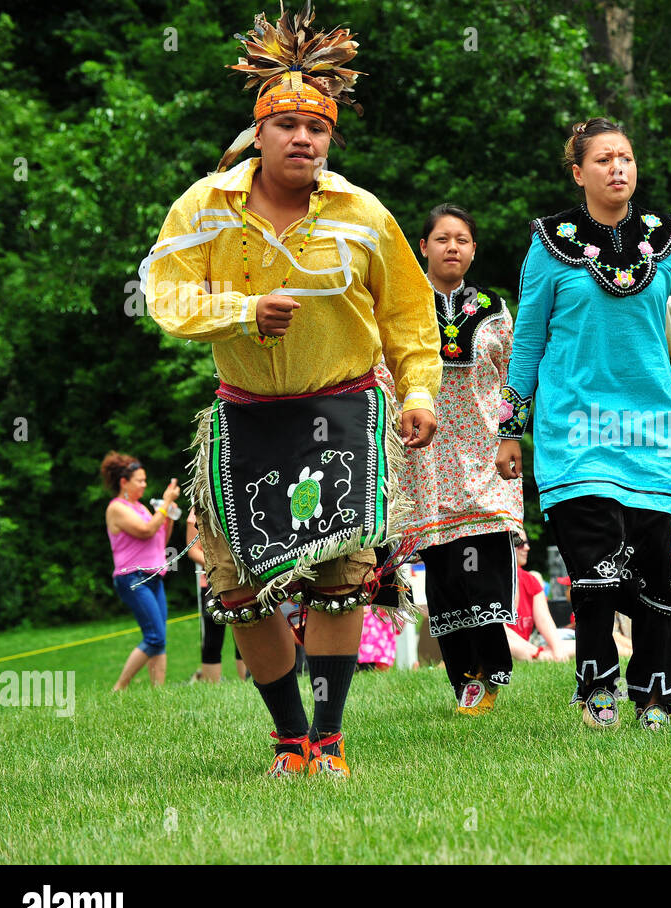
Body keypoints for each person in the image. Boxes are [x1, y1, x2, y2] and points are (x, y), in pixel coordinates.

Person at [141, 4, 441, 777]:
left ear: (330, 137)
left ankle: (330, 738)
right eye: (288, 124)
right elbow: (165, 299)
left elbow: (409, 316)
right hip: (245, 415)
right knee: (238, 586)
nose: (303, 137)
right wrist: (241, 311)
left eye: (318, 126)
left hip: (341, 406)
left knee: (340, 576)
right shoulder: (204, 209)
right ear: (259, 131)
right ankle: (289, 737)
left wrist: (419, 395)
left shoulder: (363, 214)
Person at [495, 117, 671, 730]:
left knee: (653, 566)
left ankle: (655, 693)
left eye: (625, 157)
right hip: (575, 429)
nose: (618, 168)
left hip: (651, 430)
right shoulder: (549, 244)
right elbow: (527, 343)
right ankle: (598, 687)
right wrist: (511, 427)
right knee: (595, 563)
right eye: (603, 160)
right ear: (578, 173)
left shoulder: (667, 237)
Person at [390, 203, 526, 715]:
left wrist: (512, 434)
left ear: (473, 250)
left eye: (462, 239)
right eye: (442, 238)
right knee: (445, 567)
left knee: (484, 561)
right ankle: (464, 677)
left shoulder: (494, 306)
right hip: (424, 456)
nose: (452, 247)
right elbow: (385, 373)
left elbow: (515, 376)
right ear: (422, 247)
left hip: (483, 452)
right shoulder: (402, 305)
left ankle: (491, 667)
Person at [102, 452, 180, 690]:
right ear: (124, 482)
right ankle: (119, 688)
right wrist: (165, 504)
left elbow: (159, 539)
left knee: (160, 638)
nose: (144, 484)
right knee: (154, 636)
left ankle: (158, 692)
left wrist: (169, 516)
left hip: (153, 576)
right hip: (133, 578)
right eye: (140, 480)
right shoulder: (117, 508)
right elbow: (146, 531)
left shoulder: (141, 507)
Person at [186, 507, 246, 682]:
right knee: (213, 636)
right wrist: (220, 567)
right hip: (212, 582)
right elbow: (193, 550)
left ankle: (249, 682)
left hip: (242, 579)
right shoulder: (198, 508)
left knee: (245, 628)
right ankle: (212, 685)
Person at [507, 535, 575, 661]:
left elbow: (544, 619)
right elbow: (500, 632)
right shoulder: (489, 582)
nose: (527, 548)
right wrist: (534, 652)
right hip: (509, 646)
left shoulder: (530, 580)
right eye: (520, 543)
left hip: (529, 646)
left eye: (527, 543)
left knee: (577, 645)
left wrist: (557, 650)